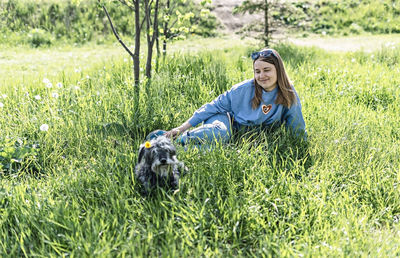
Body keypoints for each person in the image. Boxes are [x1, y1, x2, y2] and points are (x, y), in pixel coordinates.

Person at [148, 48, 306, 148]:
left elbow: (297, 128)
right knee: (221, 135)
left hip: (237, 137)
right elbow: (212, 107)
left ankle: (174, 149)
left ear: (279, 70)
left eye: (267, 70)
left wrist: (302, 146)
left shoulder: (288, 94)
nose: (261, 75)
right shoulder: (243, 89)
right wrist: (181, 128)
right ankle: (176, 139)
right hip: (224, 120)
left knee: (217, 147)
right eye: (257, 71)